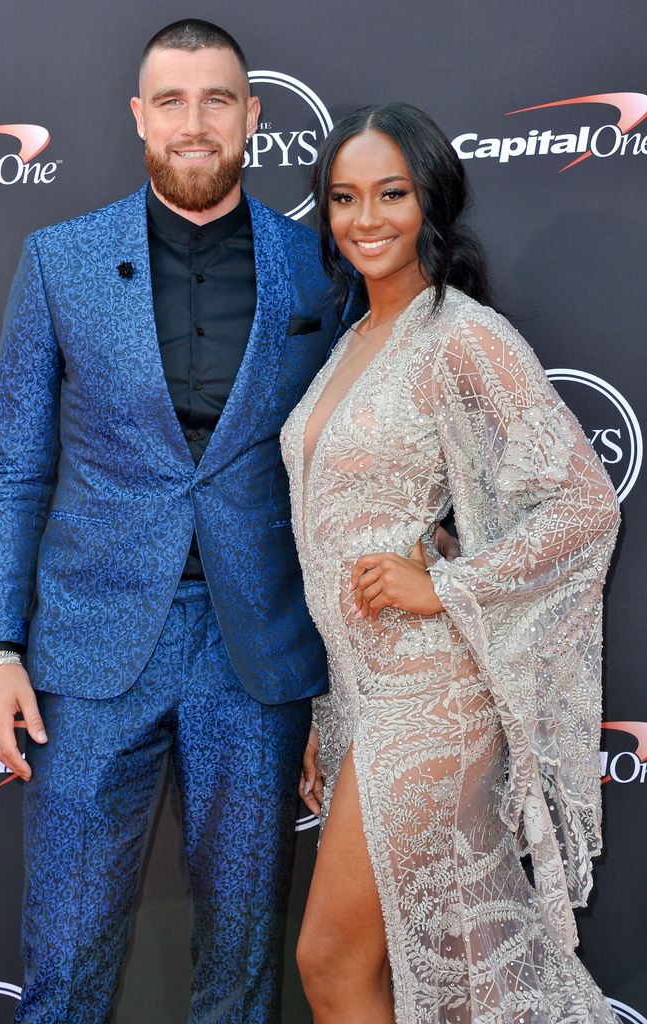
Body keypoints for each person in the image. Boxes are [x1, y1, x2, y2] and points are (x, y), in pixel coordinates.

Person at [0, 19, 363, 1024]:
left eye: (217, 100)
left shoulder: (317, 267)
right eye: (173, 101)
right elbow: (13, 461)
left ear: (252, 117)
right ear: (140, 116)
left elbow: (350, 467)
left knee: (239, 972)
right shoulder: (59, 259)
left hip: (255, 658)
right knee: (65, 964)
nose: (196, 124)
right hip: (92, 656)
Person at [285, 103, 621, 1024]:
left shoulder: (459, 333)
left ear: (430, 198)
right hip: (365, 692)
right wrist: (329, 708)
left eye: (390, 194)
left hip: (435, 695)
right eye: (344, 198)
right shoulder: (353, 339)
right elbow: (337, 536)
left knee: (331, 960)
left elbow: (582, 502)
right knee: (459, 972)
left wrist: (446, 584)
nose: (366, 219)